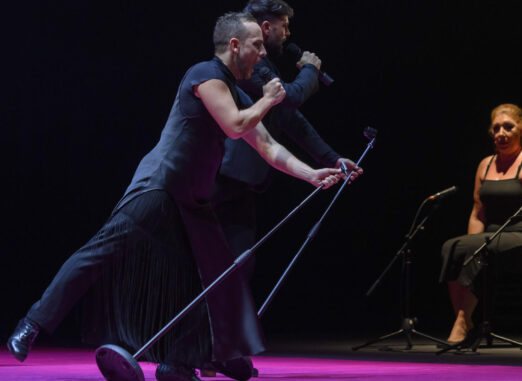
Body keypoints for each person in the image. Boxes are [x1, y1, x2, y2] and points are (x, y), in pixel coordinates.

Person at [6, 12, 341, 381]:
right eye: (256, 46)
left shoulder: (238, 92)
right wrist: (266, 102)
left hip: (193, 201)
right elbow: (234, 125)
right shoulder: (205, 75)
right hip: (160, 187)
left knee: (225, 275)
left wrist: (311, 174)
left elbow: (267, 146)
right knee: (99, 253)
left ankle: (182, 361)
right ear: (234, 46)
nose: (263, 53)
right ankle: (32, 324)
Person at [212, 0, 361, 280]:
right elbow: (289, 100)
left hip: (242, 182)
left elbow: (291, 121)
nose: (288, 34)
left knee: (239, 264)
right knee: (221, 265)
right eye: (285, 26)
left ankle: (229, 323)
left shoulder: (264, 65)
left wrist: (331, 158)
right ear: (265, 27)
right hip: (220, 179)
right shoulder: (247, 66)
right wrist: (310, 69)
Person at [439, 104, 522, 348]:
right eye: (496, 128)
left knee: (475, 249)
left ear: (521, 130)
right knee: (453, 247)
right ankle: (467, 320)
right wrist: (472, 244)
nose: (501, 133)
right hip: (491, 235)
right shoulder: (485, 164)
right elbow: (477, 213)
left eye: (508, 127)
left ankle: (461, 322)